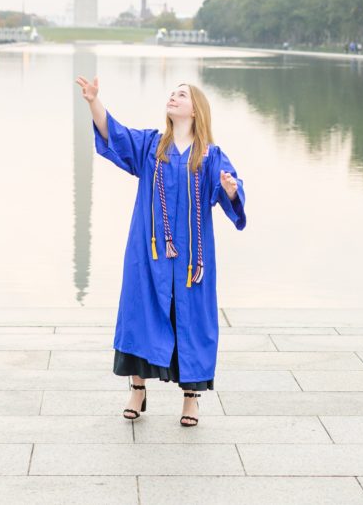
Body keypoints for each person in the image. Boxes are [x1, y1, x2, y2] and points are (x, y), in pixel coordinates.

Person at [76, 75, 246, 427]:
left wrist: (230, 190)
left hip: (190, 263)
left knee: (191, 322)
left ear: (196, 110)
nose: (173, 97)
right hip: (149, 253)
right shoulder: (151, 146)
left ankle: (191, 400)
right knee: (140, 315)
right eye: (172, 93)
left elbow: (231, 192)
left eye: (181, 95)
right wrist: (93, 101)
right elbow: (115, 134)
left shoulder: (210, 156)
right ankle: (137, 389)